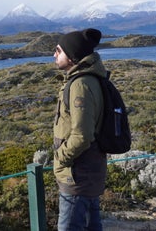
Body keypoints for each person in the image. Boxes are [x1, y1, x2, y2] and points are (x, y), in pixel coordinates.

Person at [52, 28, 107, 230]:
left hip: (77, 174)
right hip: (88, 170)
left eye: (59, 50)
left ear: (72, 56)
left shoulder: (80, 85)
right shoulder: (90, 79)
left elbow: (82, 135)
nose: (54, 55)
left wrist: (60, 158)